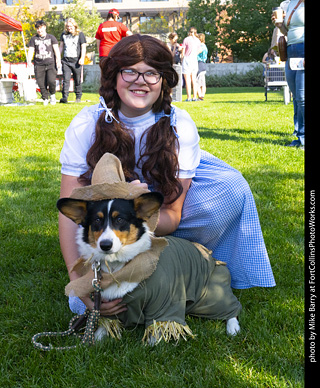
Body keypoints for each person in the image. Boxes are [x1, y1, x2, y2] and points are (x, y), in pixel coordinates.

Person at [59, 34, 276, 316]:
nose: (141, 80)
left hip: (153, 210)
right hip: (107, 215)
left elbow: (172, 215)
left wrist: (138, 208)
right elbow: (69, 209)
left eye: (152, 73)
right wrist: (78, 282)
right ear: (113, 76)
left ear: (164, 80)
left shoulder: (179, 125)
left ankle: (185, 263)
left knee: (231, 190)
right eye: (130, 71)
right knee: (80, 305)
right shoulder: (86, 124)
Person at [272, 0, 305, 149]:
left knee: (303, 97)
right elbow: (288, 32)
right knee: (296, 97)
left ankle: (304, 138)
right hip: (291, 50)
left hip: (303, 50)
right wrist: (280, 26)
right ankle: (299, 136)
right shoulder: (292, 3)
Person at [27, 20, 61, 106]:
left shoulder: (51, 38)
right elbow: (31, 50)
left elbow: (56, 50)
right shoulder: (33, 39)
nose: (39, 30)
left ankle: (52, 95)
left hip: (50, 63)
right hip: (38, 64)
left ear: (45, 27)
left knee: (51, 81)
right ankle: (45, 98)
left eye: (41, 28)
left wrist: (58, 60)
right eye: (37, 28)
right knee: (40, 82)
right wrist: (29, 60)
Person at [59, 18, 87, 104]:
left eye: (70, 26)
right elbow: (61, 47)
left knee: (77, 79)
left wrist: (82, 58)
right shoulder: (63, 34)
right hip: (66, 61)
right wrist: (58, 58)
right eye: (67, 26)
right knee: (66, 79)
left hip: (76, 61)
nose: (69, 28)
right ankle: (64, 97)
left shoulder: (80, 34)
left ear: (74, 26)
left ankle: (78, 97)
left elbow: (83, 47)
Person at [181, 27, 201, 102]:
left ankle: (189, 97)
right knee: (194, 79)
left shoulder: (186, 39)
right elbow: (199, 50)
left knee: (187, 80)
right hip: (194, 59)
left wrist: (182, 59)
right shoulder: (197, 40)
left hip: (187, 59)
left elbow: (183, 51)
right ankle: (194, 97)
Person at [196, 33, 208, 101]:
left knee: (197, 82)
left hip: (199, 64)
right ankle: (202, 95)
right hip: (203, 64)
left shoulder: (200, 47)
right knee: (203, 82)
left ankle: (200, 95)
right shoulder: (205, 46)